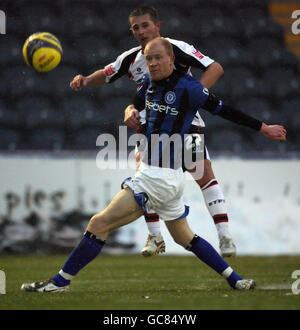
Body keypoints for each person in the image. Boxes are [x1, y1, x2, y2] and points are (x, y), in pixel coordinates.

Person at [21, 37, 286, 293]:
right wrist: (130, 111)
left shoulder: (189, 88)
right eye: (149, 59)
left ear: (172, 59)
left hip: (156, 178)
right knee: (186, 238)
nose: (154, 63)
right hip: (167, 181)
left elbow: (226, 110)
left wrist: (263, 128)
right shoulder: (149, 82)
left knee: (97, 224)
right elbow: (137, 103)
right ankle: (235, 279)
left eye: (158, 58)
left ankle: (59, 282)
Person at [69, 4, 237, 258]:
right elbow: (107, 73)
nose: (140, 31)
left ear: (158, 26)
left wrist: (193, 97)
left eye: (145, 25)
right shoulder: (131, 58)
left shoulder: (176, 48)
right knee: (143, 176)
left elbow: (215, 67)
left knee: (202, 173)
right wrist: (85, 79)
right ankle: (155, 236)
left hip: (185, 122)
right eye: (135, 28)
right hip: (150, 126)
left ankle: (225, 238)